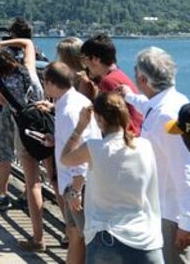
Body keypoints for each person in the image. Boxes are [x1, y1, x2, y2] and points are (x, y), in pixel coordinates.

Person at [61, 92, 164, 263]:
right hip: (145, 237)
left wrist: (80, 126)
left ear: (99, 119)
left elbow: (66, 158)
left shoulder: (94, 148)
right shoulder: (145, 146)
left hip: (105, 236)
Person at [121, 47, 190, 263]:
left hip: (171, 213)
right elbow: (148, 106)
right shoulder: (171, 102)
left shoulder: (166, 115)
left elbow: (186, 169)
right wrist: (129, 97)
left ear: (143, 78)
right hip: (161, 208)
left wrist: (188, 223)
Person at [0, 39, 47, 251]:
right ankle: (69, 234)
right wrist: (2, 43)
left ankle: (38, 238)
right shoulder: (28, 70)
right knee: (55, 180)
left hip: (24, 131)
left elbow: (1, 101)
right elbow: (27, 43)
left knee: (33, 184)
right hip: (47, 126)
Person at [38, 62, 100, 264]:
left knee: (83, 236)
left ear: (51, 83)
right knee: (74, 234)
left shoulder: (68, 111)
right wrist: (55, 140)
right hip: (75, 181)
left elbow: (80, 148)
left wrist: (75, 190)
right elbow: (73, 141)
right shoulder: (74, 101)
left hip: (77, 183)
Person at [81, 33, 143, 135]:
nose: (85, 65)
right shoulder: (118, 75)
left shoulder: (108, 82)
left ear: (95, 59)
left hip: (127, 136)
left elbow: (108, 119)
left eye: (85, 59)